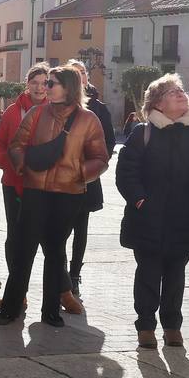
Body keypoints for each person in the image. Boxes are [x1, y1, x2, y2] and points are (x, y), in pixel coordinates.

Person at [0, 65, 109, 327]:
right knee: (24, 250)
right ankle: (11, 308)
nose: (45, 88)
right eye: (46, 83)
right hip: (35, 191)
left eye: (52, 83)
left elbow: (101, 158)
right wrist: (24, 166)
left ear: (68, 87)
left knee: (55, 252)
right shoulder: (37, 114)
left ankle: (50, 311)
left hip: (68, 194)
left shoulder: (88, 119)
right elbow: (16, 145)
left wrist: (79, 173)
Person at [116, 74, 189, 349]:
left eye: (181, 90)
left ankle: (172, 325)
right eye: (172, 92)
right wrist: (140, 202)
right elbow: (126, 173)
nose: (180, 94)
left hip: (185, 218)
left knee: (175, 274)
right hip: (147, 217)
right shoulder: (142, 133)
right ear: (157, 103)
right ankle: (145, 325)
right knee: (148, 271)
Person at [0, 63, 50, 314]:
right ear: (27, 84)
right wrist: (10, 165)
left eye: (44, 83)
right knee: (14, 239)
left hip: (43, 186)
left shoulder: (55, 111)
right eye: (34, 82)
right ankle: (18, 294)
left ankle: (61, 292)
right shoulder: (13, 112)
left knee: (46, 242)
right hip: (13, 183)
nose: (39, 87)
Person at [64, 59, 116, 302]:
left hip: (86, 177)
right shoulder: (58, 104)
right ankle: (60, 276)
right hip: (59, 178)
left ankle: (74, 276)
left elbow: (108, 144)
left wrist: (88, 168)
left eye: (83, 72)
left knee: (80, 228)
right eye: (75, 73)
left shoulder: (98, 107)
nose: (80, 76)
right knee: (58, 230)